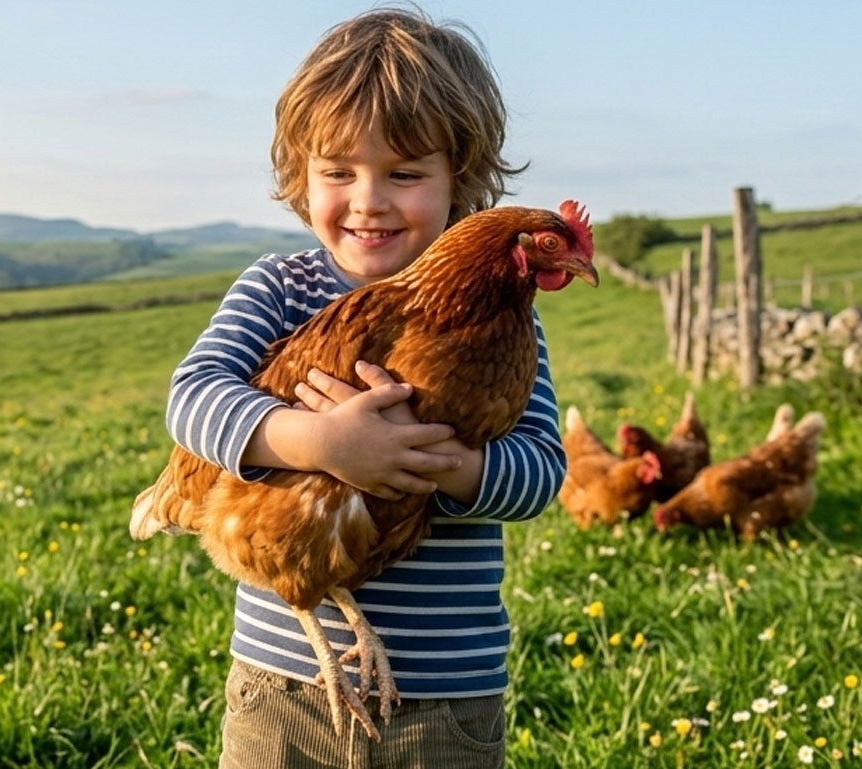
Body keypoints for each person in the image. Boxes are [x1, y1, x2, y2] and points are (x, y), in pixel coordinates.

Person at [162, 7, 563, 768]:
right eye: (338, 172)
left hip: (446, 691)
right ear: (299, 177)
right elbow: (192, 397)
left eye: (405, 174)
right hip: (285, 688)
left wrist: (451, 466)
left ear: (461, 181)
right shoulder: (281, 287)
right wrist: (315, 440)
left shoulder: (511, 330)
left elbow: (542, 472)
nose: (370, 200)